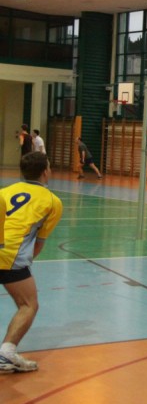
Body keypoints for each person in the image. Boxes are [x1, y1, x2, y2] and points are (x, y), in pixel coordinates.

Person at [0, 152, 63, 372]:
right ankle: (6, 353)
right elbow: (38, 244)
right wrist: (22, 265)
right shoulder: (52, 202)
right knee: (29, 304)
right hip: (10, 256)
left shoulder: (5, 191)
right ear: (46, 171)